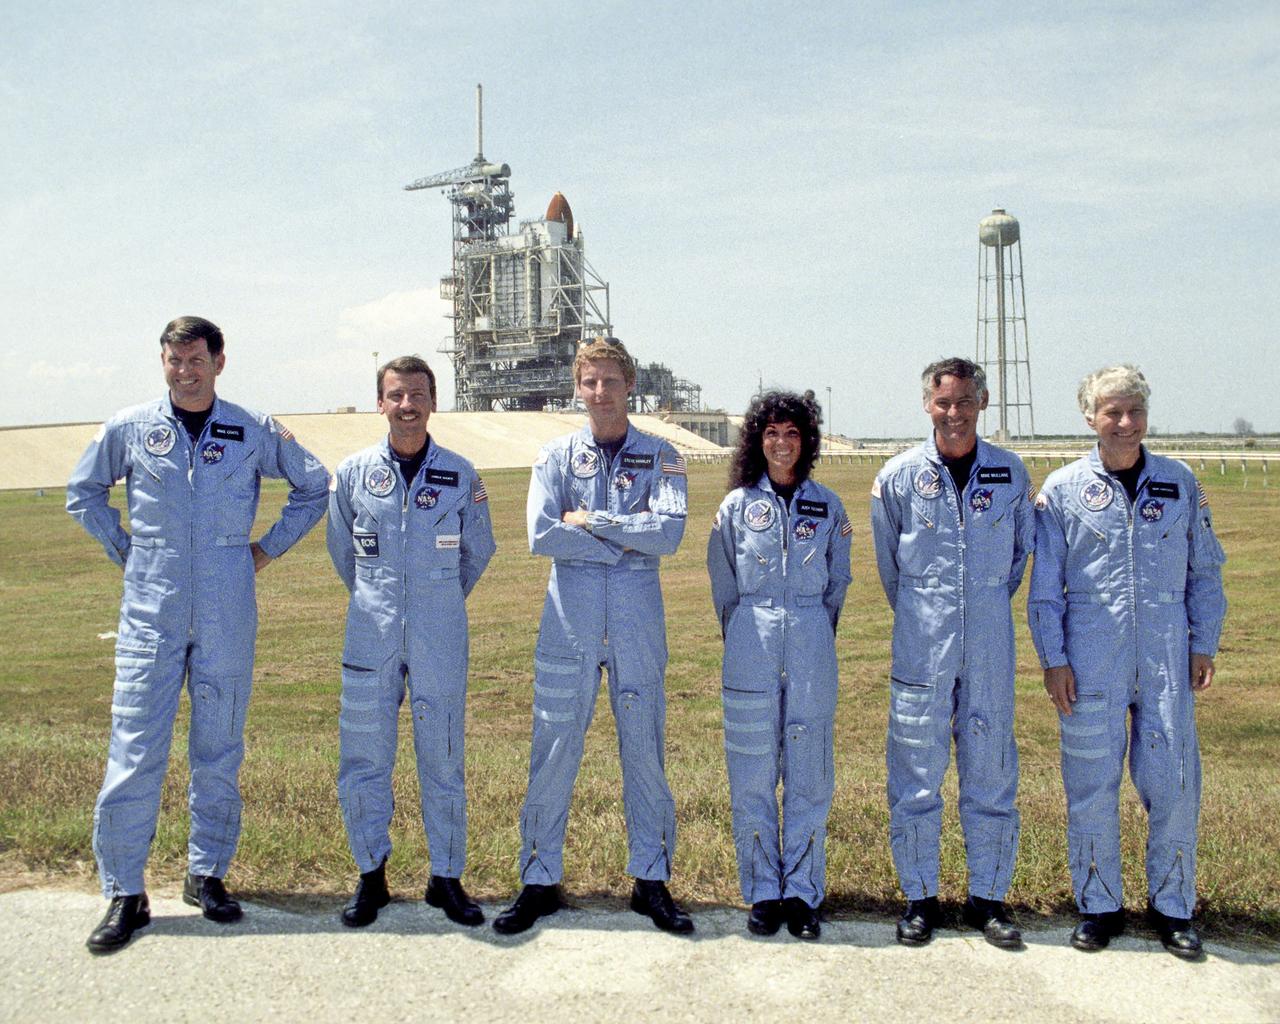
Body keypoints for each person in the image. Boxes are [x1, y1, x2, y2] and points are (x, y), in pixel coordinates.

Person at [66, 316, 329, 954]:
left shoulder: (252, 428)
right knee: (134, 749)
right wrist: (127, 553)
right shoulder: (130, 428)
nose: (185, 371)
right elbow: (84, 493)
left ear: (219, 362)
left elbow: (315, 484)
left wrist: (265, 550)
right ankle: (125, 890)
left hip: (226, 606)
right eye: (173, 360)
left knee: (219, 746)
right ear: (162, 362)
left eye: (196, 360)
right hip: (150, 608)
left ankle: (207, 872)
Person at [493, 337, 693, 936]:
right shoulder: (554, 455)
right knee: (553, 749)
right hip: (568, 622)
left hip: (637, 624)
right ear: (577, 388)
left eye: (611, 381)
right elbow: (541, 534)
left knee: (645, 752)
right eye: (591, 382)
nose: (601, 393)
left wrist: (598, 524)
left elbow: (669, 534)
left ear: (630, 384)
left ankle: (651, 880)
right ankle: (538, 879)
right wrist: (620, 545)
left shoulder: (662, 455)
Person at [1028, 365, 1226, 959]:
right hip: (1090, 654)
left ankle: (1173, 907)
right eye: (1111, 412)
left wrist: (1202, 641)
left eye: (1134, 411)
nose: (1124, 422)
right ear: (1090, 417)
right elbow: (1045, 588)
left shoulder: (1180, 482)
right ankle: (1099, 906)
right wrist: (1053, 658)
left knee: (1173, 783)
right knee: (1091, 783)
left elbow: (1205, 570)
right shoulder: (1062, 490)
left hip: (1165, 651)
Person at [870, 356, 1034, 948]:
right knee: (916, 771)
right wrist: (930, 609)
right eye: (944, 402)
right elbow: (889, 565)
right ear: (926, 405)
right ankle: (920, 899)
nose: (955, 413)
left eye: (965, 401)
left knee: (990, 770)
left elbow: (1018, 560)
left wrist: (981, 604)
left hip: (989, 638)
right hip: (922, 638)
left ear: (982, 403)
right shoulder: (898, 475)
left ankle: (988, 899)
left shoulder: (1010, 473)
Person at [327, 356, 496, 928]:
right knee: (365, 757)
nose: (407, 405)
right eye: (396, 395)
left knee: (443, 756)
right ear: (381, 402)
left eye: (417, 394)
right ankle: (370, 876)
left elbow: (479, 550)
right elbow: (342, 551)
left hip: (439, 635)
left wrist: (436, 599)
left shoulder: (460, 473)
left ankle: (445, 877)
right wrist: (381, 596)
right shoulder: (353, 473)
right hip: (369, 631)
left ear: (432, 401)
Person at [706, 391, 852, 940]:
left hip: (812, 639)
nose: (782, 443)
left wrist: (812, 627)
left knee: (810, 771)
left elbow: (839, 581)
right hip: (751, 638)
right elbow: (723, 583)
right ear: (756, 440)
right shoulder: (736, 507)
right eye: (772, 433)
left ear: (807, 440)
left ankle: (803, 893)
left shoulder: (829, 506)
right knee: (752, 773)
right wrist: (747, 629)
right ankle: (764, 890)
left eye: (792, 433)